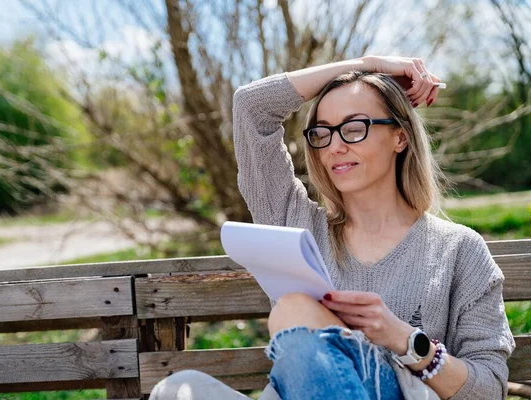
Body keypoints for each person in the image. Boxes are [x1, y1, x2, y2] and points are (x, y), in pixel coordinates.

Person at [148, 56, 515, 400]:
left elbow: (489, 388)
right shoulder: (295, 223)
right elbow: (251, 107)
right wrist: (367, 64)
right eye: (322, 133)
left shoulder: (458, 250)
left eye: (354, 128)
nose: (335, 146)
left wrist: (404, 339)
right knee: (178, 389)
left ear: (399, 137)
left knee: (294, 311)